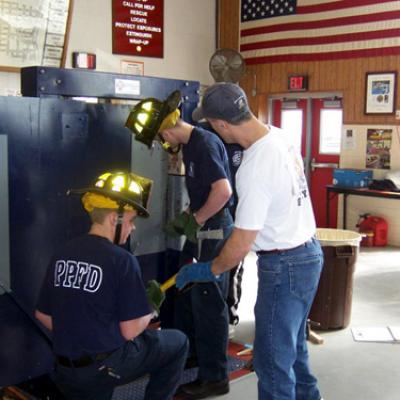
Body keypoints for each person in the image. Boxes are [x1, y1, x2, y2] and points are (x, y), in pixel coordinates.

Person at [176, 82, 324, 400]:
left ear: (222, 124)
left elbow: (242, 242)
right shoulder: (279, 135)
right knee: (294, 348)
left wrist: (209, 269)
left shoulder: (253, 168)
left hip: (284, 266)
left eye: (213, 124)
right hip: (308, 253)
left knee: (271, 362)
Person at [35, 171, 188, 400]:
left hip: (65, 369)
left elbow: (42, 314)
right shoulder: (122, 260)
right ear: (113, 219)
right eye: (130, 220)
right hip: (104, 368)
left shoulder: (62, 253)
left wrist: (84, 335)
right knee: (178, 343)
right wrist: (150, 309)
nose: (132, 228)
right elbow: (130, 331)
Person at [125, 91, 234, 399]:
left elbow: (223, 192)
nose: (162, 143)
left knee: (208, 303)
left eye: (159, 137)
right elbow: (204, 193)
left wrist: (196, 219)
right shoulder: (191, 147)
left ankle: (216, 377)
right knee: (188, 295)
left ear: (167, 128)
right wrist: (188, 215)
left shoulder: (204, 143)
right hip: (201, 230)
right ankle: (196, 354)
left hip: (212, 234)